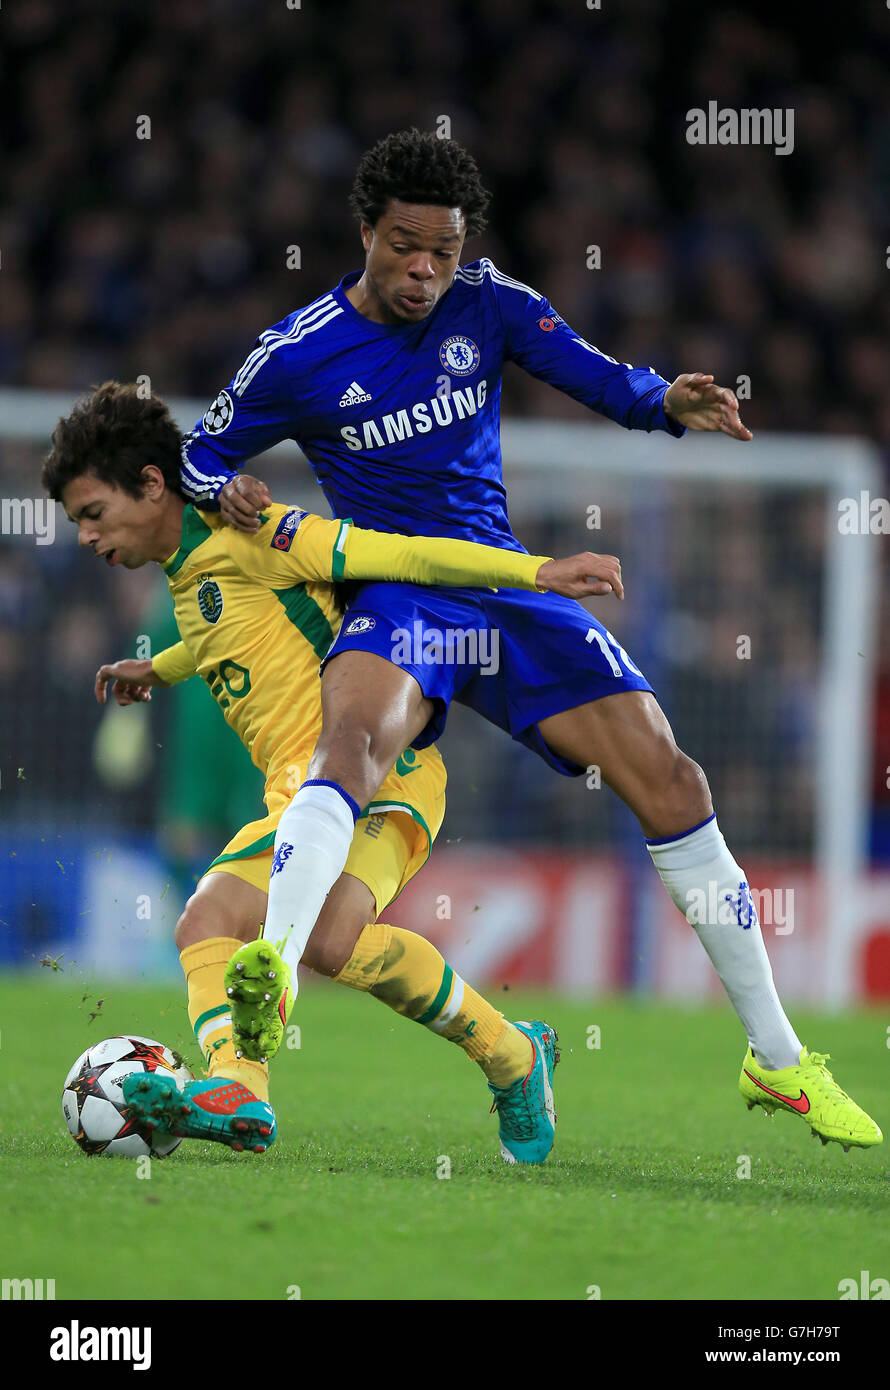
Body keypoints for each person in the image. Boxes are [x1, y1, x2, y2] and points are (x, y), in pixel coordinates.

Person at [176, 128, 881, 1152]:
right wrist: (222, 485)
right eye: (405, 246)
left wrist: (663, 401)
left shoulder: (489, 302)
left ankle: (774, 1059)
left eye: (443, 252)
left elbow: (595, 375)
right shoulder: (296, 354)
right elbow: (197, 451)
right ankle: (273, 972)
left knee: (670, 778)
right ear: (364, 231)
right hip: (397, 596)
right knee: (352, 748)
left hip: (505, 584)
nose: (424, 270)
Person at [42, 380, 622, 1163]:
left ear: (151, 484)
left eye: (92, 514)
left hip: (377, 770)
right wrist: (163, 670)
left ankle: (239, 1082)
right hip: (305, 792)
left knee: (210, 920)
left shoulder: (258, 533)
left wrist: (534, 571)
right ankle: (514, 1056)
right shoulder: (187, 575)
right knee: (323, 941)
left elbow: (404, 552)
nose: (85, 536)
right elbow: (232, 632)